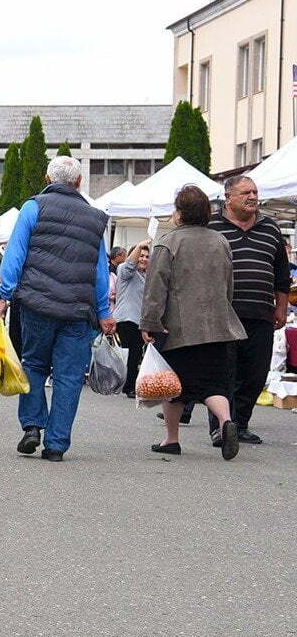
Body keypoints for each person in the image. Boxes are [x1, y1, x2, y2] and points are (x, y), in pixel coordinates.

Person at [0, 156, 115, 462]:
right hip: (77, 310)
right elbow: (100, 271)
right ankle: (57, 445)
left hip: (37, 304)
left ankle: (32, 426)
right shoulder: (96, 218)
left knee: (33, 364)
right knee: (69, 377)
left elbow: (15, 255)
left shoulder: (33, 207)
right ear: (79, 182)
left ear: (48, 179)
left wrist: (4, 296)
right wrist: (103, 312)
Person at [140, 186, 245, 459]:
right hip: (218, 326)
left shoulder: (169, 243)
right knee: (214, 385)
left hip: (179, 328)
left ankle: (171, 439)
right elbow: (228, 285)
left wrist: (150, 322)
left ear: (179, 213)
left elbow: (156, 287)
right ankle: (226, 422)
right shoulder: (220, 241)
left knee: (174, 387)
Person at [198, 176, 292, 445]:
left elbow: (281, 274)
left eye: (255, 192)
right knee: (223, 370)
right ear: (228, 197)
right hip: (221, 314)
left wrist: (281, 308)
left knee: (255, 373)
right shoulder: (211, 225)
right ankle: (221, 426)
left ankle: (240, 424)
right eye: (246, 193)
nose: (253, 197)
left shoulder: (270, 227)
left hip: (260, 314)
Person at [113, 239, 151, 398]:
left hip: (140, 322)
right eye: (140, 255)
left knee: (135, 356)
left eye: (147, 256)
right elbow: (129, 265)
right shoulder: (125, 271)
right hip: (125, 319)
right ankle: (125, 385)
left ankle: (129, 386)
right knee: (126, 355)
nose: (143, 259)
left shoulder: (147, 276)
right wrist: (140, 244)